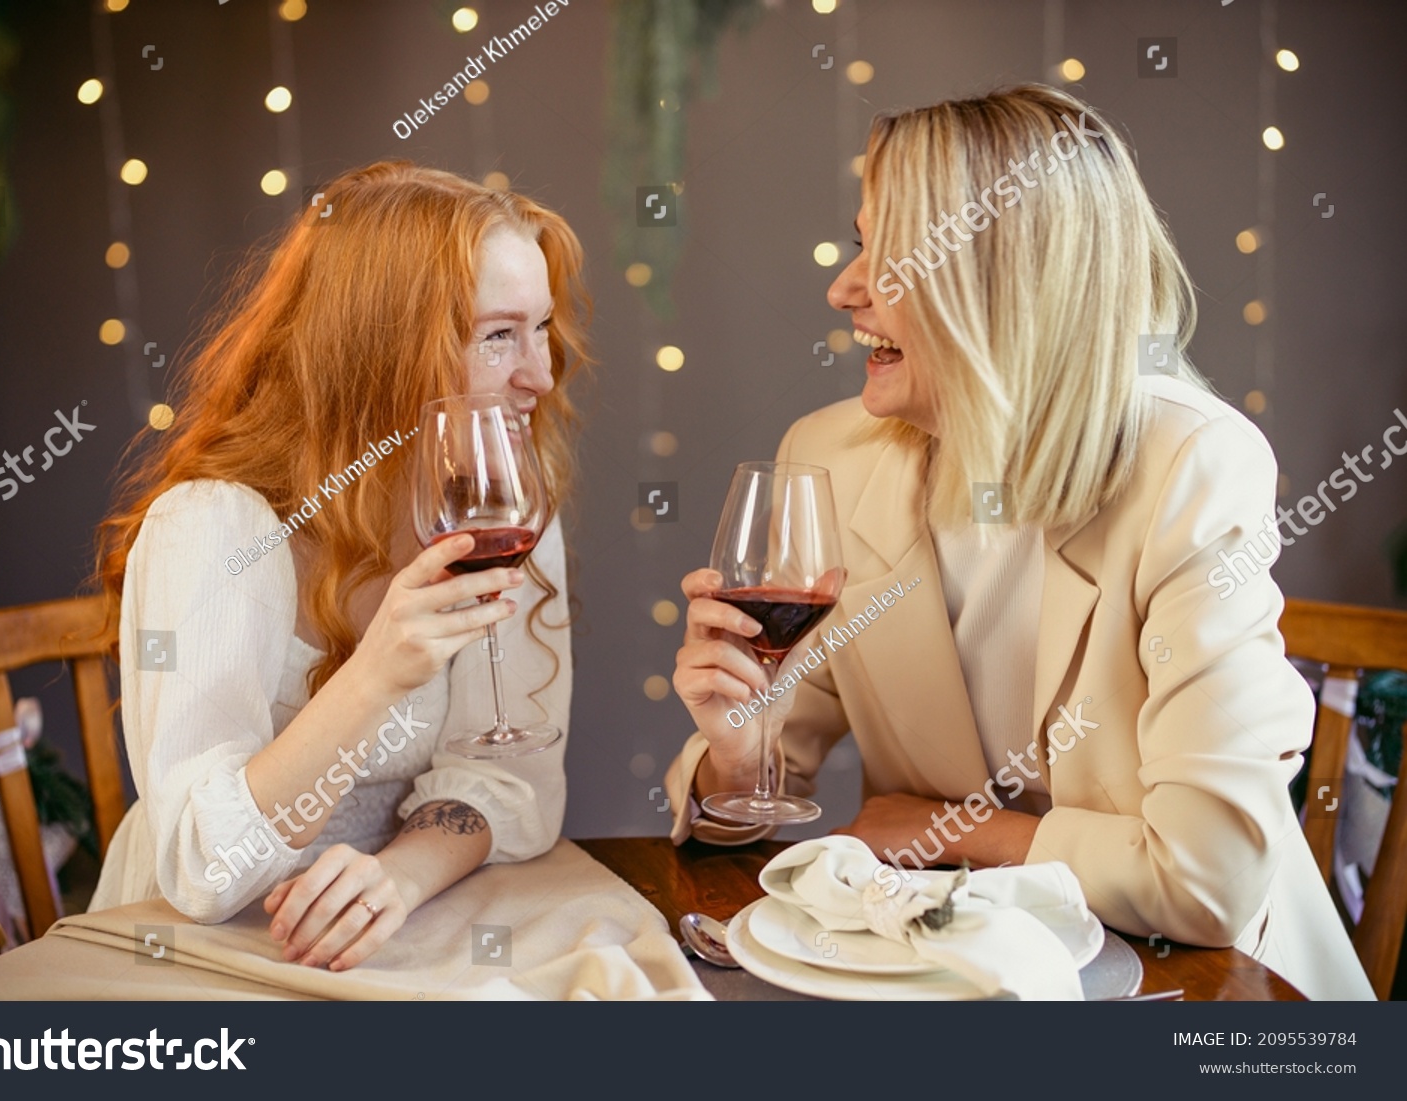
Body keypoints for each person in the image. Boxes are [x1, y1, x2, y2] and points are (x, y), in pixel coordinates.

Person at [665, 85, 1372, 1000]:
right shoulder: (829, 453)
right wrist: (736, 749)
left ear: (1004, 278)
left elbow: (1206, 884)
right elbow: (757, 796)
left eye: (890, 256)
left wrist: (953, 830)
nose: (843, 288)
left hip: (1209, 991)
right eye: (857, 244)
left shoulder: (1193, 466)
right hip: (949, 975)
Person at [90, 162, 591, 972]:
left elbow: (513, 780)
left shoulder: (501, 501)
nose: (540, 372)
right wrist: (375, 675)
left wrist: (393, 878)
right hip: (193, 950)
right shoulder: (214, 528)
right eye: (499, 335)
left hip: (394, 932)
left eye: (541, 327)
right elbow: (201, 866)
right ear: (383, 344)